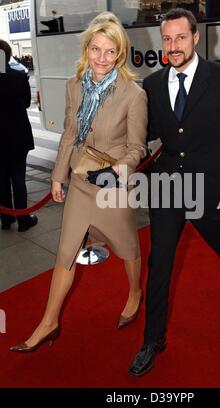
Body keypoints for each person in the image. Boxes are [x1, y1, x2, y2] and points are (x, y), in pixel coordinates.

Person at [128, 8, 220, 377]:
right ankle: (152, 341)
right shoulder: (152, 84)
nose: (173, 46)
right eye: (167, 39)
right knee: (160, 263)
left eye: (180, 38)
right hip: (169, 185)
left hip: (214, 188)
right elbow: (148, 133)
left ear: (197, 37)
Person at [10, 12, 147, 352]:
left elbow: (137, 148)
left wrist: (119, 169)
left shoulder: (133, 94)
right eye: (95, 49)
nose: (101, 58)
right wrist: (58, 177)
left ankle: (134, 291)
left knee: (127, 247)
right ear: (86, 50)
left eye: (109, 51)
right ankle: (49, 322)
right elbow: (70, 134)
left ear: (120, 54)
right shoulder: (75, 85)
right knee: (66, 252)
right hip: (81, 182)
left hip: (113, 185)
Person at [0, 39, 38, 232]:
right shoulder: (19, 77)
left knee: (2, 181)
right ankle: (23, 220)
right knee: (18, 179)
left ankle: (6, 219)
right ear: (7, 56)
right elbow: (25, 103)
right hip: (17, 137)